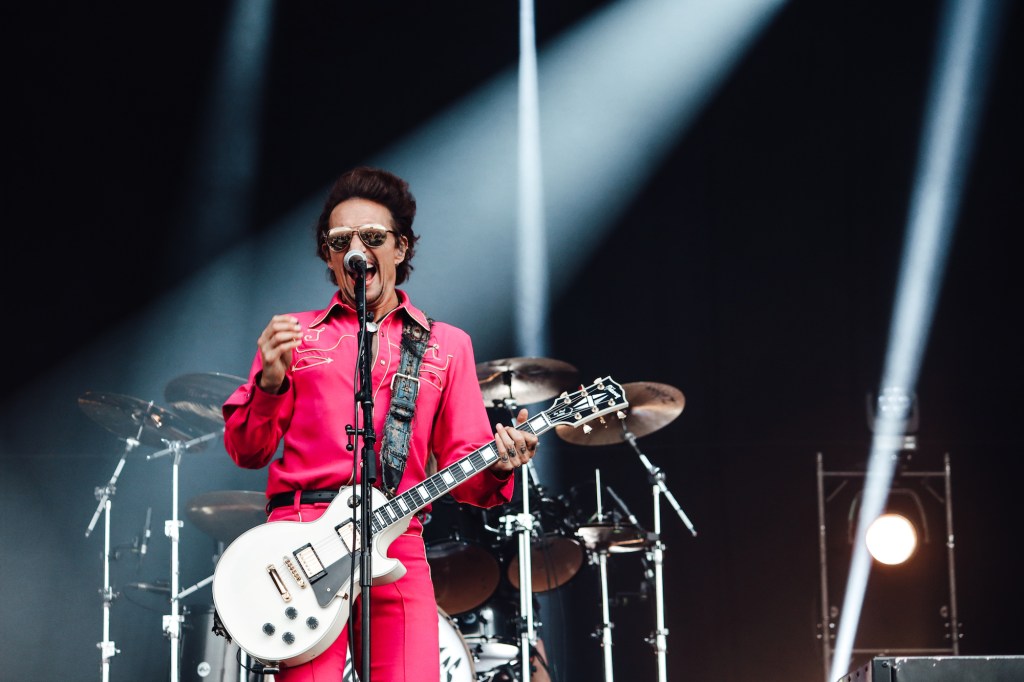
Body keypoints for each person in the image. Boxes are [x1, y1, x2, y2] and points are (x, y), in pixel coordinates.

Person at [221, 166, 539, 682]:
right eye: (340, 241)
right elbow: (247, 450)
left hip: (397, 536)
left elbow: (469, 475)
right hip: (300, 541)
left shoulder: (445, 345)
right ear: (328, 256)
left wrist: (501, 465)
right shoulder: (292, 335)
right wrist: (270, 384)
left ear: (401, 247)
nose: (357, 251)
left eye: (372, 237)